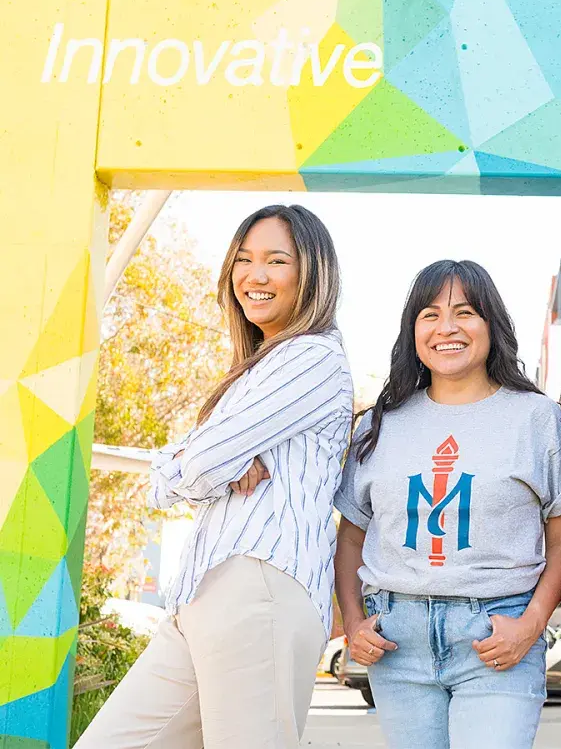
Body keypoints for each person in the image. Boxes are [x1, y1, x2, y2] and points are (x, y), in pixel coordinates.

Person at [76, 205, 353, 749]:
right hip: (200, 595)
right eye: (244, 260)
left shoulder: (312, 357)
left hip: (260, 586)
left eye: (277, 260)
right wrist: (206, 462)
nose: (256, 275)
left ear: (312, 274)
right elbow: (188, 468)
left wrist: (201, 461)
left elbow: (198, 463)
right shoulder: (257, 367)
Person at [334, 260, 561, 749]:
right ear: (413, 331)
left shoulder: (537, 419)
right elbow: (351, 537)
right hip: (396, 641)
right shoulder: (380, 425)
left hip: (497, 637)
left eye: (465, 312)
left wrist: (531, 625)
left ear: (492, 325)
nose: (446, 327)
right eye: (429, 315)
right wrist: (352, 622)